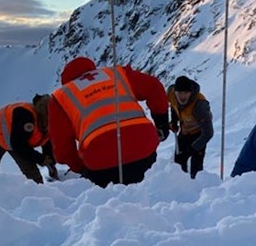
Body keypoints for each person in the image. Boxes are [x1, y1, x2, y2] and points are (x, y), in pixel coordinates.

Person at [48, 56, 170, 187]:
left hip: (101, 163)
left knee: (112, 203)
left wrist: (80, 167)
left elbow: (62, 149)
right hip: (143, 147)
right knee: (149, 193)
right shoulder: (117, 74)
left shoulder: (60, 98)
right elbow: (154, 87)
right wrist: (161, 123)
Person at [0, 95, 58, 184]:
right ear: (45, 114)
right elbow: (18, 145)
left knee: (32, 174)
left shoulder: (49, 122)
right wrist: (40, 158)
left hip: (16, 140)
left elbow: (47, 142)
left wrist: (50, 161)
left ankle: (38, 192)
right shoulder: (25, 116)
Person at [167, 75, 214, 179]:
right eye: (180, 93)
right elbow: (174, 106)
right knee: (178, 165)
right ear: (175, 92)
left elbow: (208, 133)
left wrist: (192, 149)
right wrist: (174, 121)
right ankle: (179, 187)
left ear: (191, 92)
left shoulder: (199, 105)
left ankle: (197, 187)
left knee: (196, 169)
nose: (182, 96)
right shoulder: (171, 94)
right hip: (184, 133)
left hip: (199, 134)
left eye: (186, 93)